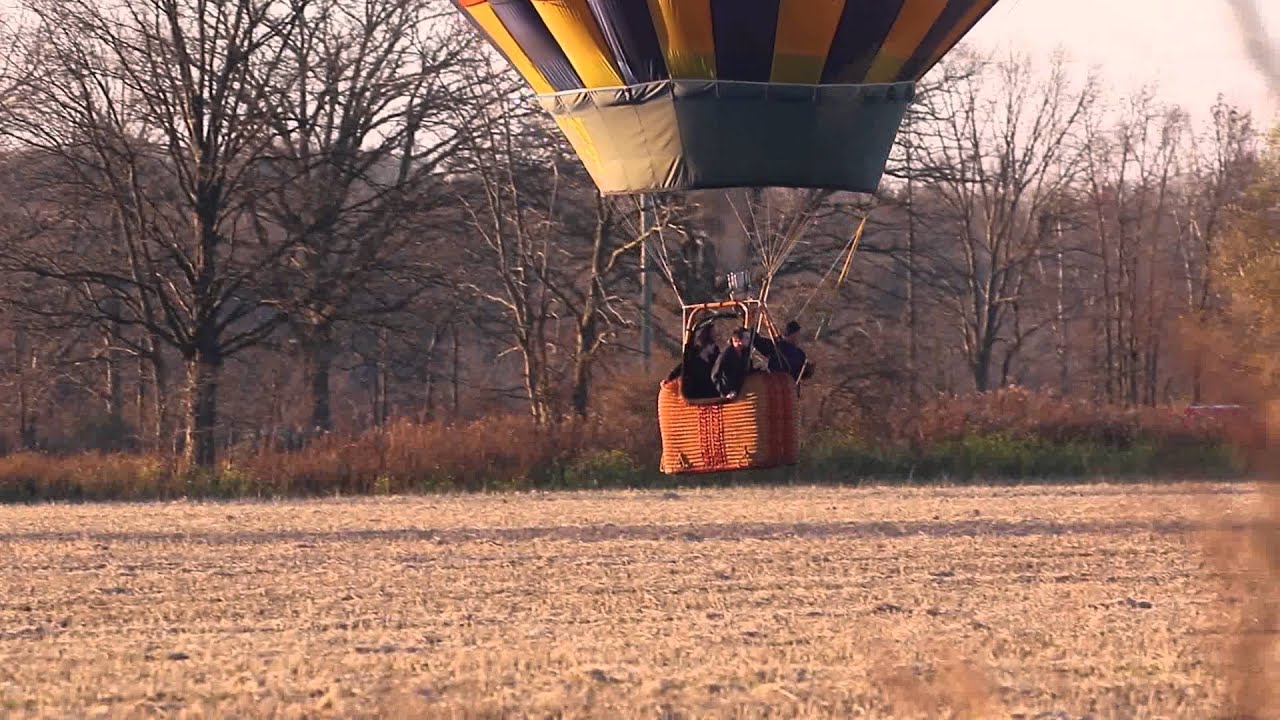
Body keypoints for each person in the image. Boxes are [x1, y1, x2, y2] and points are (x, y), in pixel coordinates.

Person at [665, 324, 720, 398]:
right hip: (696, 386)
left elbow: (721, 363)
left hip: (710, 386)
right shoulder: (694, 353)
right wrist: (670, 378)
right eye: (714, 332)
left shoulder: (715, 352)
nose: (716, 334)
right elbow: (683, 365)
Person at [711, 327, 753, 400]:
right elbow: (714, 375)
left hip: (742, 392)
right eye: (746, 338)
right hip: (729, 394)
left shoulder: (745, 354)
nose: (748, 340)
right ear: (737, 340)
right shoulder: (725, 355)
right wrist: (724, 393)